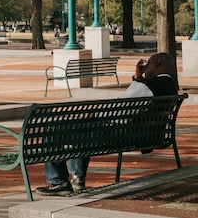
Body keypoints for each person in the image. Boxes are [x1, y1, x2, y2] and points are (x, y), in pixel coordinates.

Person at [37, 52, 179, 196]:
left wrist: (96, 115)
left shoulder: (147, 86)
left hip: (116, 135)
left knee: (54, 128)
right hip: (147, 136)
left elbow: (119, 110)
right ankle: (77, 176)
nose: (146, 68)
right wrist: (137, 78)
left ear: (158, 62)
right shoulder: (171, 87)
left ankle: (57, 181)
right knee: (83, 130)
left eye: (148, 64)